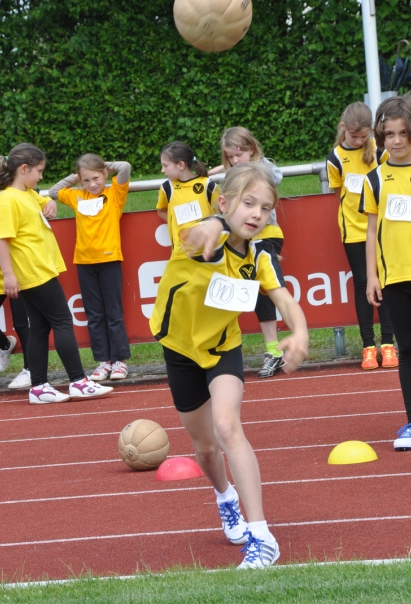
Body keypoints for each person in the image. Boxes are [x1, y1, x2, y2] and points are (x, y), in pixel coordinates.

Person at [150, 162, 309, 568]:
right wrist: (210, 227)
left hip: (223, 349)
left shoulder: (258, 257)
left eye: (266, 208)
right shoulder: (203, 235)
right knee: (205, 449)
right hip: (180, 351)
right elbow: (209, 231)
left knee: (226, 426)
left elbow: (285, 300)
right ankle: (225, 496)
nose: (256, 214)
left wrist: (301, 332)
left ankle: (261, 536)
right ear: (225, 203)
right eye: (248, 203)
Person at [0, 143, 113, 404]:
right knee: (62, 321)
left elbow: (44, 200)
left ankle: (38, 387)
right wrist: (9, 275)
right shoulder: (8, 200)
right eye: (38, 171)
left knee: (39, 328)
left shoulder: (26, 192)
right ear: (23, 169)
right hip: (33, 272)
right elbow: (1, 239)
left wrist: (49, 203)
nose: (41, 176)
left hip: (39, 269)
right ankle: (78, 381)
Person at [361, 93, 411, 450]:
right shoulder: (376, 179)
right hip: (394, 279)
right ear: (381, 136)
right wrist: (372, 276)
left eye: (404, 133)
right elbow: (371, 230)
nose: (397, 141)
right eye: (390, 134)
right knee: (408, 349)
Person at [208, 126, 285, 379]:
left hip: (266, 237)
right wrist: (221, 170)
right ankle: (225, 351)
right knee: (231, 293)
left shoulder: (263, 170)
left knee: (266, 294)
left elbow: (275, 175)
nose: (234, 161)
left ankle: (273, 350)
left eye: (238, 155)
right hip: (240, 240)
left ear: (251, 150)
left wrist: (244, 168)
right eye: (229, 157)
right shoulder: (234, 173)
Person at [327, 102, 398, 370]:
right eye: (353, 136)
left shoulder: (379, 152)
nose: (358, 141)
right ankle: (369, 346)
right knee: (362, 284)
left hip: (381, 228)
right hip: (354, 231)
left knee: (385, 283)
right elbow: (339, 194)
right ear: (343, 128)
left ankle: (389, 344)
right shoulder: (335, 158)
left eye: (363, 136)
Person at [49, 154, 131, 382]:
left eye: (96, 178)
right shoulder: (78, 196)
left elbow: (124, 167)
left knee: (113, 312)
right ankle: (103, 361)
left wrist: (104, 167)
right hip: (84, 263)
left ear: (104, 174)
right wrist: (76, 177)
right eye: (86, 180)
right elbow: (54, 191)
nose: (92, 184)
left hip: (109, 261)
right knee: (94, 315)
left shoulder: (114, 193)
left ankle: (119, 361)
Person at [156, 141, 220, 247]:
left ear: (181, 165)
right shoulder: (167, 188)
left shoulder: (208, 185)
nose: (162, 170)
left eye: (165, 165)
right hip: (180, 253)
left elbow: (221, 214)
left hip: (207, 252)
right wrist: (176, 224)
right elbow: (161, 211)